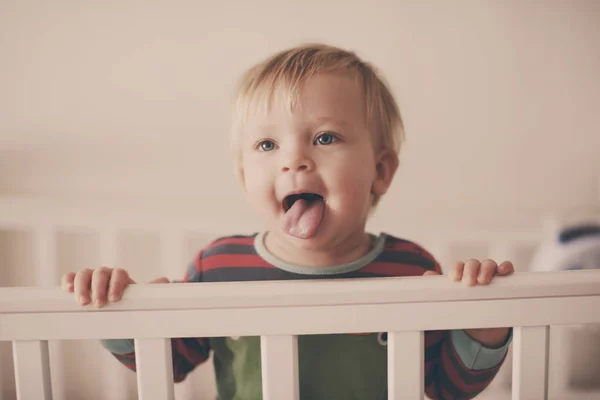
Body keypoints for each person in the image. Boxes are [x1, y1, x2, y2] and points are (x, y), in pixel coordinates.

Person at [61, 43, 514, 400]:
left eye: (324, 137)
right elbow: (172, 362)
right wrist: (122, 312)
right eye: (265, 146)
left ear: (380, 171)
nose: (294, 159)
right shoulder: (219, 267)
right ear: (243, 178)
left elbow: (447, 387)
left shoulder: (412, 269)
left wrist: (484, 322)